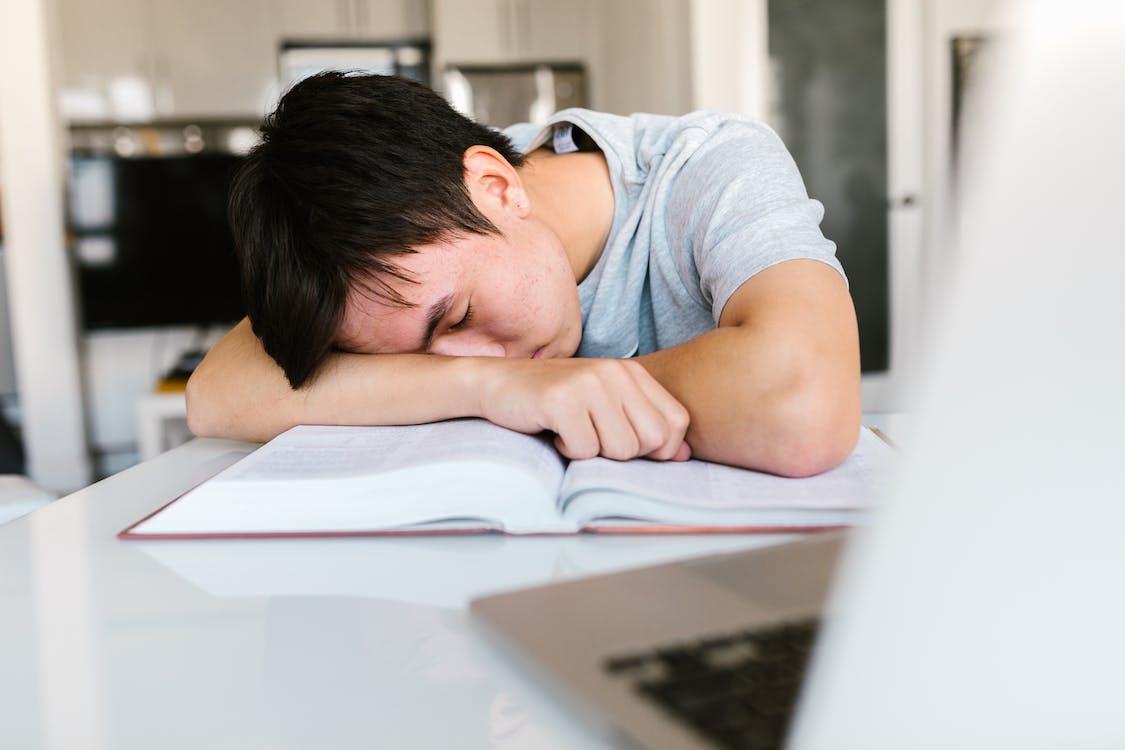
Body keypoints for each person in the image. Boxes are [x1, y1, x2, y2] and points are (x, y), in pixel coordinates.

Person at [187, 72, 860, 477]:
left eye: (454, 317)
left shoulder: (709, 164)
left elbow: (803, 407)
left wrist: (545, 390)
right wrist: (496, 386)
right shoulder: (380, 249)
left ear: (497, 187)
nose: (463, 353)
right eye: (416, 357)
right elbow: (216, 394)